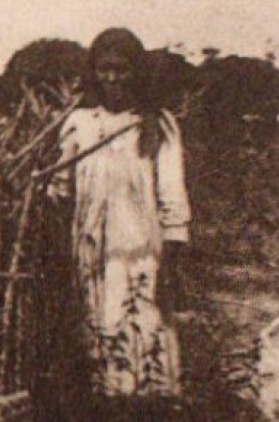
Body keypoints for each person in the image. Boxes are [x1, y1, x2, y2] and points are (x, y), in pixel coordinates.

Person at [48, 28, 192, 398]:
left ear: (136, 72)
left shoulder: (155, 124)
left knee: (142, 337)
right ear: (93, 72)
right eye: (104, 69)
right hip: (90, 254)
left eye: (122, 69)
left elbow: (173, 198)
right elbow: (60, 190)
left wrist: (170, 266)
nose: (112, 78)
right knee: (96, 337)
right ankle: (106, 420)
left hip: (141, 255)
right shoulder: (79, 123)